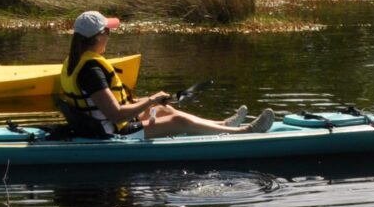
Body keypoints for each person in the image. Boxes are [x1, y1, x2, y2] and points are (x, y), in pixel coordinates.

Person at [56, 11, 248, 139]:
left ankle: (223, 125)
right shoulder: (91, 70)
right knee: (178, 121)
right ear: (99, 35)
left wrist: (151, 101)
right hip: (111, 132)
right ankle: (242, 132)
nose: (109, 36)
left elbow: (103, 105)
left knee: (167, 111)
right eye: (108, 32)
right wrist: (150, 100)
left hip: (103, 125)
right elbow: (114, 115)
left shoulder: (76, 60)